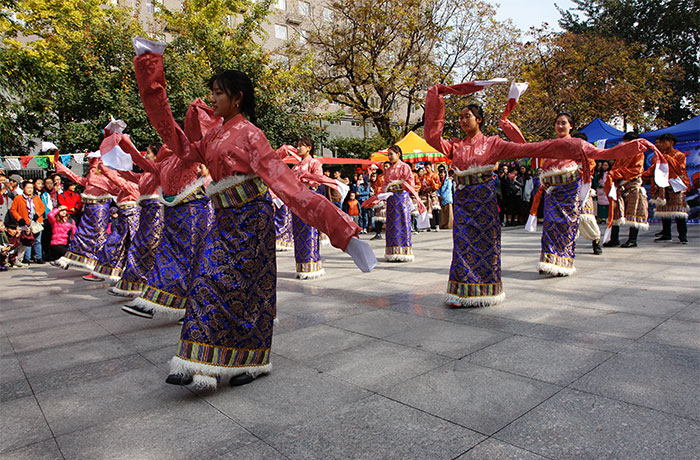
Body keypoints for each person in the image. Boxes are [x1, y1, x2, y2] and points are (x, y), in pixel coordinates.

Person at [132, 38, 374, 390]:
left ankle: (255, 362)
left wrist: (345, 235)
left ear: (237, 97)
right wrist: (150, 72)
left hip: (252, 222)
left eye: (218, 93)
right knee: (204, 281)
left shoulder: (251, 135)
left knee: (252, 295)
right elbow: (174, 138)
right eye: (211, 92)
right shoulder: (212, 137)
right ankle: (197, 360)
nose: (211, 99)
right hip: (223, 221)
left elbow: (291, 189)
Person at [424, 81, 659, 305]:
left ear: (479, 120)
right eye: (461, 117)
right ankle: (462, 291)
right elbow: (432, 137)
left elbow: (533, 148)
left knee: (487, 244)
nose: (463, 120)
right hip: (465, 202)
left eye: (468, 116)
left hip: (489, 200)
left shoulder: (494, 144)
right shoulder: (454, 145)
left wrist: (578, 147)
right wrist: (437, 96)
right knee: (463, 244)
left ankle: (487, 289)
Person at [120, 99, 216, 321]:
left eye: (170, 137)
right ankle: (158, 302)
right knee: (167, 257)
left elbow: (191, 136)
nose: (165, 142)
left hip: (193, 214)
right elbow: (146, 166)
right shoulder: (166, 163)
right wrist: (127, 145)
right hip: (172, 216)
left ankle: (179, 305)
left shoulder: (189, 155)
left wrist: (191, 113)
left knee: (189, 260)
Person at [107, 138, 164, 297]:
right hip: (145, 215)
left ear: (156, 155)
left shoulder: (157, 169)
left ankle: (152, 287)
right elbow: (126, 175)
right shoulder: (145, 174)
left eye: (149, 152)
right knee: (136, 249)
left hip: (156, 215)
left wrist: (124, 142)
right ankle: (130, 286)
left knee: (152, 250)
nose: (145, 155)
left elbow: (137, 162)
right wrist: (110, 164)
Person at [362, 145, 425, 262]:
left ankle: (404, 251)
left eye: (391, 154)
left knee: (402, 224)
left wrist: (401, 186)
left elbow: (410, 183)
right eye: (389, 155)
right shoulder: (389, 170)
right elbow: (383, 187)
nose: (390, 157)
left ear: (398, 154)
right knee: (391, 226)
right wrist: (375, 199)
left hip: (401, 199)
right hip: (391, 200)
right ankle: (392, 252)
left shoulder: (405, 167)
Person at [53, 154, 113, 271]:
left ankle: (100, 263)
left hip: (99, 209)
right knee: (81, 234)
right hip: (89, 210)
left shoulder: (106, 179)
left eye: (94, 164)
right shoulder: (91, 178)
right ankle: (67, 259)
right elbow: (76, 178)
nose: (92, 167)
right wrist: (60, 166)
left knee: (98, 237)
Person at [603, 132, 649, 248]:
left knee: (633, 211)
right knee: (615, 209)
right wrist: (614, 174)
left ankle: (633, 239)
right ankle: (614, 239)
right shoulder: (621, 154)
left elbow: (637, 170)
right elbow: (615, 167)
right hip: (620, 185)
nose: (625, 143)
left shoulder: (639, 154)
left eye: (627, 141)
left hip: (633, 184)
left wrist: (617, 173)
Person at [648, 133, 690, 244]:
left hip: (675, 186)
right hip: (662, 185)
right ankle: (666, 234)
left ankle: (682, 236)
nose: (661, 144)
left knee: (679, 212)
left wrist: (667, 158)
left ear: (671, 142)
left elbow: (680, 169)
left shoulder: (679, 155)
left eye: (663, 142)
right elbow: (653, 169)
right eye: (660, 142)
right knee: (664, 212)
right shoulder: (657, 156)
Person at [10, 181, 46, 264]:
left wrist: (38, 214)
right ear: (23, 188)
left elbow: (42, 207)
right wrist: (19, 218)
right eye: (28, 188)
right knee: (27, 240)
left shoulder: (36, 197)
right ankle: (27, 258)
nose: (30, 190)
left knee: (37, 240)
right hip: (25, 222)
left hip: (36, 222)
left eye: (31, 188)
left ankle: (39, 257)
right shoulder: (18, 198)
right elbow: (13, 210)